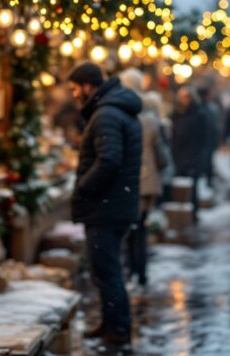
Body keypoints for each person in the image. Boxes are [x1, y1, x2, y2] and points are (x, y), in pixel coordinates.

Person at [68, 62, 142, 346]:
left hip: (106, 207)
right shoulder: (112, 110)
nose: (75, 95)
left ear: (89, 86)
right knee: (106, 270)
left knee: (108, 271)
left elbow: (109, 160)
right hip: (114, 205)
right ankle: (111, 323)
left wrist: (83, 187)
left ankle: (118, 330)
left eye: (76, 88)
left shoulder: (106, 114)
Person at [119, 70, 167, 287]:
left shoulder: (124, 116)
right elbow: (161, 154)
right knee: (142, 228)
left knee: (131, 228)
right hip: (149, 183)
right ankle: (142, 270)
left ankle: (131, 270)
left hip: (130, 181)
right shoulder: (150, 119)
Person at [171, 86, 206, 222]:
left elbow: (203, 137)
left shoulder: (199, 113)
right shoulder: (175, 113)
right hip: (179, 155)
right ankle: (181, 215)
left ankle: (193, 214)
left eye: (188, 97)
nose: (186, 100)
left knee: (193, 187)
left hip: (193, 155)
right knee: (180, 188)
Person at [197, 86, 221, 187]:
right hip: (206, 141)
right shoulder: (210, 109)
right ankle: (207, 184)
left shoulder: (208, 109)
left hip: (205, 141)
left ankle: (206, 184)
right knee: (207, 163)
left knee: (205, 163)